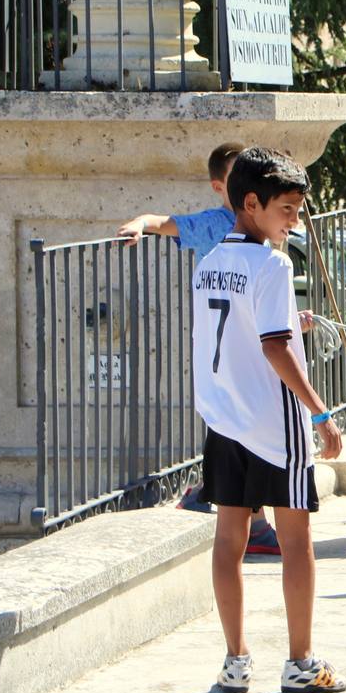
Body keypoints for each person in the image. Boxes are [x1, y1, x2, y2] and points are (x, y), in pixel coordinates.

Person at [191, 146, 346, 693]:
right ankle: (301, 662)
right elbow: (275, 347)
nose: (295, 222)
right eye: (288, 209)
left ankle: (235, 661)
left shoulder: (211, 262)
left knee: (228, 537)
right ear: (252, 203)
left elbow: (242, 331)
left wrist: (285, 327)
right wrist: (321, 412)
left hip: (224, 417)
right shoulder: (273, 263)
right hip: (272, 420)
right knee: (296, 538)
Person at [117, 142, 280, 556]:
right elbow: (163, 222)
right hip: (228, 345)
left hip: (254, 338)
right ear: (218, 186)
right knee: (239, 426)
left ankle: (214, 494)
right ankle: (253, 522)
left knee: (243, 428)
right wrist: (139, 223)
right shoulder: (213, 225)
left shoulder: (267, 221)